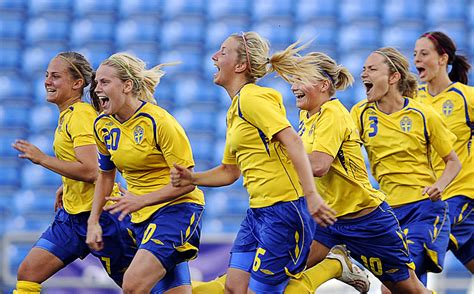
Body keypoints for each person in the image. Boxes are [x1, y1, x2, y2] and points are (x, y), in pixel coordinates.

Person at [171, 31, 336, 293]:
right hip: (258, 212)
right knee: (234, 287)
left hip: (284, 210)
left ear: (240, 65)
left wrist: (312, 196)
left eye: (223, 52)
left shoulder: (252, 98)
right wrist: (193, 178)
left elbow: (292, 141)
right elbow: (229, 172)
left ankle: (335, 265)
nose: (214, 56)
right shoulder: (235, 108)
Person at [11, 52, 136, 293]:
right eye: (47, 75)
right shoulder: (69, 115)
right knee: (28, 273)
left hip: (103, 216)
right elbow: (84, 164)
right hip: (72, 216)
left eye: (56, 76)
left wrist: (43, 159)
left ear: (77, 83)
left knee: (141, 287)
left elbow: (92, 171)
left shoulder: (80, 115)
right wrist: (67, 184)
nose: (48, 81)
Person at [86, 52, 205, 294]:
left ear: (127, 85)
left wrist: (140, 200)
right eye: (97, 82)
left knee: (133, 284)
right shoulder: (102, 125)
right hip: (140, 216)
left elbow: (188, 183)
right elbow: (106, 175)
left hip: (177, 210)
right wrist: (93, 221)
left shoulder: (159, 122)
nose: (97, 88)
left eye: (105, 82)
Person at [351, 47, 462, 292]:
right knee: (406, 288)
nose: (364, 74)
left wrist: (439, 186)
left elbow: (453, 161)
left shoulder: (423, 114)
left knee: (391, 287)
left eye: (372, 69)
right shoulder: (359, 114)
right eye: (363, 69)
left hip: (424, 210)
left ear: (393, 77)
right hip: (388, 214)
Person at [414, 31, 474, 273]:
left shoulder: (466, 98)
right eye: (414, 54)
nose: (417, 59)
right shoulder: (412, 99)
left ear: (442, 59)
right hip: (424, 199)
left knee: (405, 269)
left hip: (457, 196)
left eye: (424, 53)